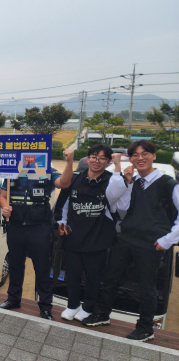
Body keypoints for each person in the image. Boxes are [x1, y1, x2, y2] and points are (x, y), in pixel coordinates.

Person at [82, 140, 179, 342]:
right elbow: (122, 206)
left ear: (154, 156)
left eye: (145, 154)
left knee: (147, 287)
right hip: (126, 238)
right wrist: (126, 182)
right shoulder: (133, 181)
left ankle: (145, 328)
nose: (140, 158)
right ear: (131, 159)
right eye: (135, 155)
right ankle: (102, 314)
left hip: (152, 243)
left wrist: (168, 240)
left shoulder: (168, 184)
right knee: (111, 278)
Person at [0, 147, 74, 320]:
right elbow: (2, 196)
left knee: (41, 268)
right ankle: (13, 299)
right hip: (15, 226)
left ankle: (45, 306)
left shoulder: (46, 171)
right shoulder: (12, 171)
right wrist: (5, 207)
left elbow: (64, 183)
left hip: (39, 227)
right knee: (16, 265)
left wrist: (69, 162)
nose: (29, 158)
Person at [56, 144, 118, 322]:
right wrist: (61, 224)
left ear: (107, 162)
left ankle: (88, 306)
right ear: (87, 158)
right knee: (73, 275)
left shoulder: (111, 181)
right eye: (93, 157)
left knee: (93, 277)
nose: (96, 161)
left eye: (101, 158)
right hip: (74, 237)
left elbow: (116, 209)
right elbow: (62, 206)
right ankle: (73, 304)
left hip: (97, 239)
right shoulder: (75, 179)